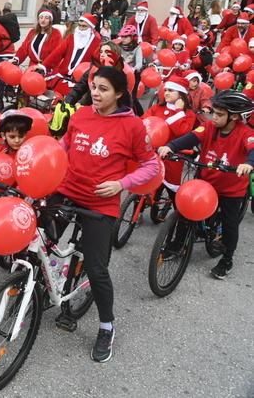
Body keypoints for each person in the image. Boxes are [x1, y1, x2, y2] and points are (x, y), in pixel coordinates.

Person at [52, 64, 159, 362]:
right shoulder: (82, 114)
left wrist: (121, 183)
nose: (95, 93)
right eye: (93, 87)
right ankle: (40, 290)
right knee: (41, 241)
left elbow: (151, 165)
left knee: (97, 269)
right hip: (66, 190)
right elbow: (66, 145)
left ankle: (106, 327)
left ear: (119, 93)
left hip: (100, 204)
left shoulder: (133, 125)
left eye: (103, 89)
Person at [158, 90, 254, 279]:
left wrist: (249, 164)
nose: (214, 117)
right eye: (214, 112)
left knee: (229, 224)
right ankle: (177, 244)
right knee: (185, 211)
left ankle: (227, 258)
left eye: (219, 114)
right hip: (206, 182)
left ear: (234, 116)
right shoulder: (209, 127)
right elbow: (191, 137)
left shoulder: (246, 133)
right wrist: (171, 146)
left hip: (231, 189)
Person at [142, 76, 195, 199]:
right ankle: (137, 210)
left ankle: (178, 213)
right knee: (142, 183)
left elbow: (182, 131)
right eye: (166, 90)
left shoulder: (188, 114)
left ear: (181, 94)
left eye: (171, 90)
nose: (166, 93)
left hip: (173, 155)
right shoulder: (157, 108)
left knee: (172, 187)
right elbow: (144, 122)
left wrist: (179, 110)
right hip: (151, 151)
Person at [37, 14, 102, 93]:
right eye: (79, 26)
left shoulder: (98, 44)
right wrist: (44, 66)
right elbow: (57, 54)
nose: (81, 29)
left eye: (84, 26)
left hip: (81, 85)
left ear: (91, 28)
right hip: (62, 79)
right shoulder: (70, 38)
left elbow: (98, 65)